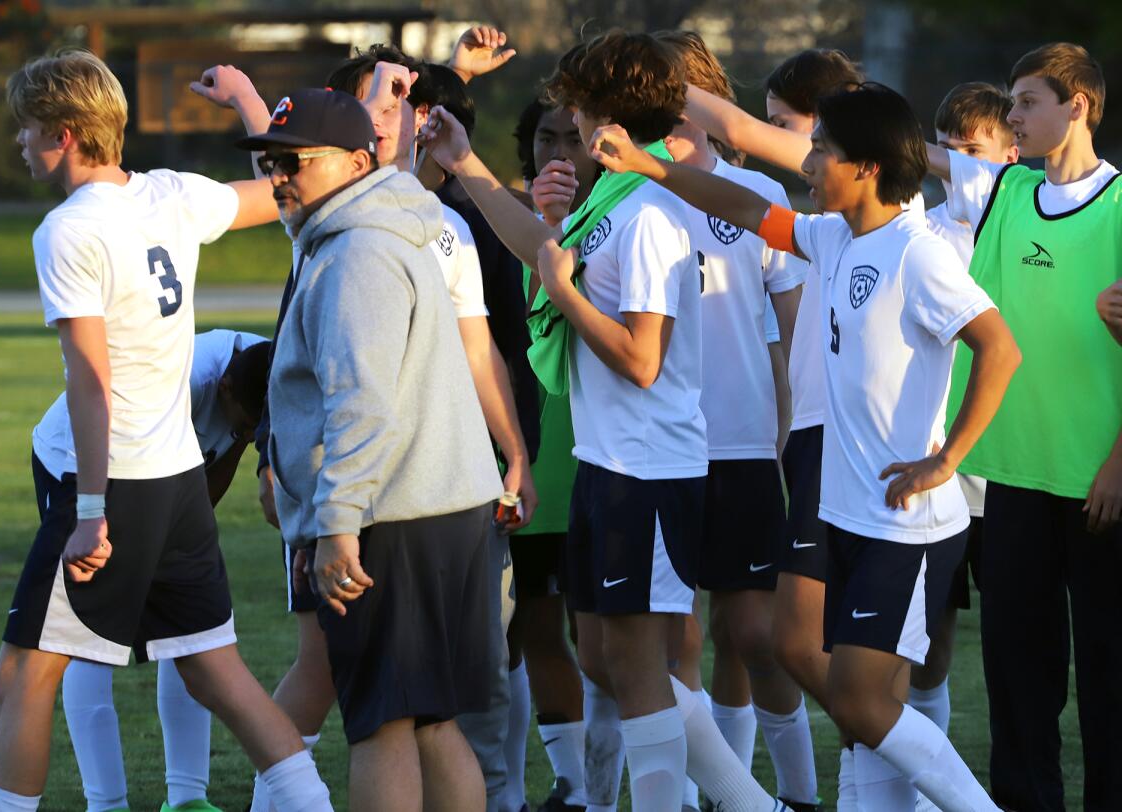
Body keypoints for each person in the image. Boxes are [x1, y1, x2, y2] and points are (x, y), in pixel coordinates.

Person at [590, 80, 1020, 811]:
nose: (809, 161)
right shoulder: (834, 235)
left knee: (860, 697)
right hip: (852, 510)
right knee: (845, 693)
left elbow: (999, 349)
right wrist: (651, 168)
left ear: (870, 168)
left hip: (907, 525)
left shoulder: (919, 253)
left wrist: (945, 460)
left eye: (823, 150)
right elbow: (748, 209)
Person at [421, 30, 789, 812]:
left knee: (636, 667)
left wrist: (564, 294)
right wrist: (466, 165)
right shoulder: (610, 199)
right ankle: (750, 804)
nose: (575, 122)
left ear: (607, 114)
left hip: (648, 472)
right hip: (609, 464)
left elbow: (642, 358)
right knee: (601, 656)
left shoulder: (650, 214)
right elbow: (539, 245)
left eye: (580, 107)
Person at [0, 49, 332, 812]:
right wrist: (249, 103)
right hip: (176, 480)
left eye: (28, 127)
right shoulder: (169, 194)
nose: (19, 141)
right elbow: (285, 189)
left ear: (67, 132)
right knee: (216, 670)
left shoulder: (68, 230)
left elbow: (90, 379)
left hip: (120, 481)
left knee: (25, 671)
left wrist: (91, 512)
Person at [238, 85, 504, 811]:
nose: (279, 175)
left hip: (397, 517)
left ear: (359, 162)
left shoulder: (358, 251)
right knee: (426, 721)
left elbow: (363, 404)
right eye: (270, 160)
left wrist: (337, 524)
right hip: (434, 508)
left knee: (381, 725)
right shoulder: (372, 232)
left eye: (298, 160)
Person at [924, 43, 1122, 811]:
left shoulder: (1117, 204)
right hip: (1009, 477)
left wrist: (1117, 464)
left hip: (1100, 483)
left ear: (1077, 106)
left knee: (1108, 675)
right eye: (1010, 102)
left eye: (1028, 102)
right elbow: (897, 150)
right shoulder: (1003, 189)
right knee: (1016, 677)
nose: (1011, 116)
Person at [656, 30, 819, 812]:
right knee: (674, 640)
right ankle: (704, 798)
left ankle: (794, 793)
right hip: (657, 450)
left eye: (679, 93)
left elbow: (793, 330)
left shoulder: (764, 200)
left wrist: (792, 434)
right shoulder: (628, 190)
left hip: (748, 445)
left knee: (753, 637)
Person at [58, 330, 269, 812]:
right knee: (93, 637)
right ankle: (106, 803)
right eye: (245, 423)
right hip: (87, 467)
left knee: (191, 631)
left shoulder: (265, 367)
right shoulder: (185, 379)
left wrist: (183, 539)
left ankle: (187, 799)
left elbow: (229, 453)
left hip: (160, 480)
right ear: (225, 391)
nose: (249, 434)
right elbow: (112, 450)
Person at [499, 95, 603, 812]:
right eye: (545, 136)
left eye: (574, 136)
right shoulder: (503, 224)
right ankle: (569, 783)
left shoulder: (621, 215)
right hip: (530, 454)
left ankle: (623, 783)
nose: (560, 149)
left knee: (606, 637)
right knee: (533, 621)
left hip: (604, 457)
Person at [912, 81, 1018, 740]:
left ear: (1009, 156)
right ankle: (926, 791)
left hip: (1012, 469)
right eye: (944, 148)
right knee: (927, 645)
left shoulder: (1017, 215)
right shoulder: (917, 230)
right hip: (940, 466)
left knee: (1017, 643)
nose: (951, 162)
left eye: (970, 151)